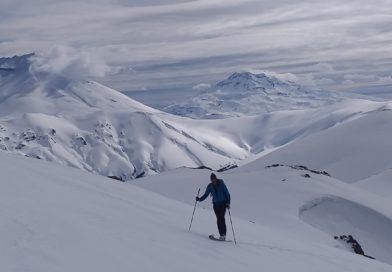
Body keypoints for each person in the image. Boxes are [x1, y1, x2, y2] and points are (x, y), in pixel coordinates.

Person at [196, 173, 231, 240]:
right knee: (218, 219)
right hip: (215, 205)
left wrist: (228, 203)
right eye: (212, 180)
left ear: (216, 178)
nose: (213, 181)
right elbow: (206, 195)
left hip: (223, 204)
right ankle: (221, 235)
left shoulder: (222, 185)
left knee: (221, 218)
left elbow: (227, 194)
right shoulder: (210, 186)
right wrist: (199, 199)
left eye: (214, 179)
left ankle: (223, 235)